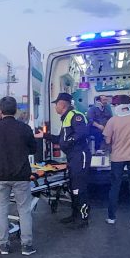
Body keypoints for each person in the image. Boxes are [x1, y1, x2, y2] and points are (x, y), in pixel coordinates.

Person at [0, 96, 37, 255]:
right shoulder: (24, 128)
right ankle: (26, 245)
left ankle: (3, 245)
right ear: (15, 110)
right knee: (24, 210)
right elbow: (33, 149)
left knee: (2, 210)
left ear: (0, 110)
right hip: (21, 175)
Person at [35, 92, 91, 228]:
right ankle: (75, 215)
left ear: (62, 104)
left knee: (79, 188)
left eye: (56, 105)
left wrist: (68, 142)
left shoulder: (75, 116)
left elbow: (82, 133)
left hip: (80, 156)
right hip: (73, 157)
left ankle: (83, 219)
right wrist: (45, 136)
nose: (55, 107)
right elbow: (61, 139)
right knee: (73, 188)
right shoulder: (66, 118)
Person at [102, 94, 130, 229]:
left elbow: (107, 141)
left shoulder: (112, 121)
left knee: (115, 187)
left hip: (117, 158)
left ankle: (111, 218)